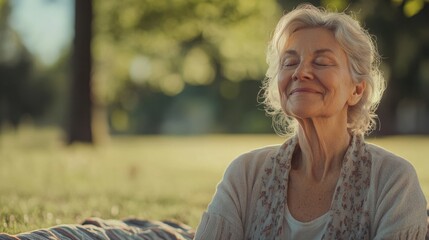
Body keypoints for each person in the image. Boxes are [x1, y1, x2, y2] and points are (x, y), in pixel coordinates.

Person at [194, 3, 427, 240]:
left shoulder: (394, 180)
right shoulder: (244, 174)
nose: (300, 72)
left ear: (356, 89)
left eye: (322, 62)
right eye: (289, 62)